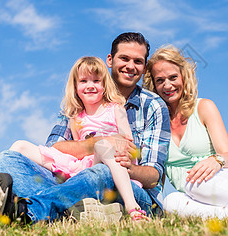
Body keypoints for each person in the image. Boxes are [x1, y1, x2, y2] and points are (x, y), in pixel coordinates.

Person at [0, 32, 170, 226]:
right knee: (6, 159)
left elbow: (153, 176)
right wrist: (94, 143)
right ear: (110, 60)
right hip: (76, 178)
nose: (130, 66)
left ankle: (30, 211)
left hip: (131, 190)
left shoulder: (153, 105)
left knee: (101, 172)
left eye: (138, 61)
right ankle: (73, 210)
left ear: (144, 68)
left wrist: (125, 165)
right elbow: (54, 148)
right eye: (124, 58)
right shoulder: (78, 104)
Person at [143, 45, 228, 221]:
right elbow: (157, 174)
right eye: (160, 80)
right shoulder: (157, 122)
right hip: (199, 197)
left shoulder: (204, 107)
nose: (167, 85)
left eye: (173, 77)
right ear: (153, 84)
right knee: (171, 202)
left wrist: (215, 160)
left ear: (184, 77)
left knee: (193, 181)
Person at [9, 56, 149, 220]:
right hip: (85, 167)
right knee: (20, 146)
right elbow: (79, 147)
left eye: (96, 81)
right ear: (75, 86)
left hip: (113, 165)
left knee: (102, 145)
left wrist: (106, 142)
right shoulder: (75, 117)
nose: (90, 86)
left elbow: (127, 144)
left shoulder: (115, 109)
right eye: (83, 81)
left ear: (105, 85)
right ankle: (9, 199)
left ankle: (133, 207)